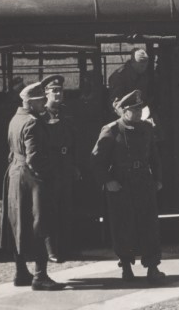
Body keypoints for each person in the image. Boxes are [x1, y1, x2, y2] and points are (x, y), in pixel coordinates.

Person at [91, 89, 166, 284]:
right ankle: (126, 266)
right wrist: (108, 181)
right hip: (121, 183)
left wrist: (157, 179)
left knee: (149, 225)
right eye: (135, 109)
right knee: (123, 226)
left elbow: (155, 156)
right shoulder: (111, 130)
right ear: (124, 111)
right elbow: (97, 160)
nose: (139, 112)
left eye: (140, 108)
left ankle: (152, 266)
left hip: (143, 181)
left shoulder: (147, 128)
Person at [0, 79, 64, 290]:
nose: (45, 103)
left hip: (15, 175)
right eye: (41, 100)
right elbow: (34, 158)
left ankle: (20, 273)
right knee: (40, 224)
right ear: (32, 102)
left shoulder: (15, 119)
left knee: (18, 223)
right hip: (33, 178)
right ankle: (40, 276)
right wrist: (49, 174)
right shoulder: (33, 122)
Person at [42, 75, 80, 262]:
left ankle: (65, 248)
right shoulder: (41, 116)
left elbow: (72, 141)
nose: (58, 94)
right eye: (54, 91)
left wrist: (73, 166)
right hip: (51, 167)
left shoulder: (65, 113)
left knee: (66, 209)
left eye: (60, 91)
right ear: (46, 94)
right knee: (50, 210)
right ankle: (51, 251)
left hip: (65, 166)